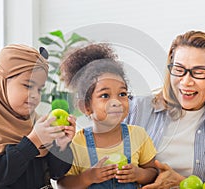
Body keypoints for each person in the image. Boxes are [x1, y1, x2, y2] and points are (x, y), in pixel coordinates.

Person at [124, 30, 205, 188]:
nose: (186, 82)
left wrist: (182, 183)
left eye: (198, 73)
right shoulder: (137, 109)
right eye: (179, 70)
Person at [0, 44, 76, 189]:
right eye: (28, 86)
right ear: (1, 84)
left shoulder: (36, 124)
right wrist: (33, 141)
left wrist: (61, 146)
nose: (35, 95)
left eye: (39, 89)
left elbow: (56, 173)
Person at [57, 43, 159, 189]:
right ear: (85, 107)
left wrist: (139, 174)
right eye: (105, 95)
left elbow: (153, 172)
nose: (116, 102)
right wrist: (88, 177)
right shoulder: (77, 143)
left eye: (122, 94)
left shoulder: (139, 136)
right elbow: (63, 185)